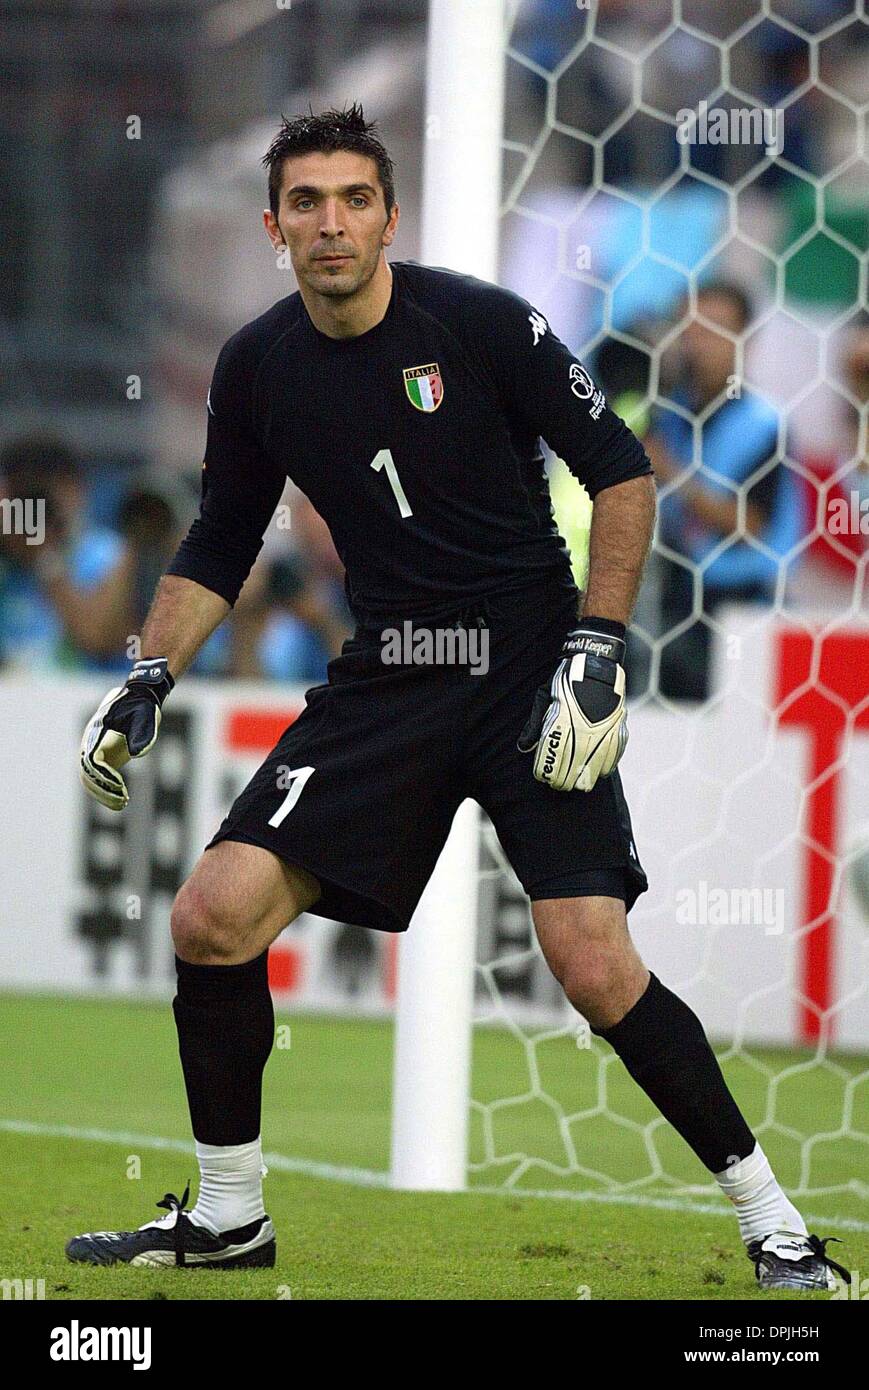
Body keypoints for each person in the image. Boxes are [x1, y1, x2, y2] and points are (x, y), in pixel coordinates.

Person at [68, 106, 846, 1293]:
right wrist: (149, 670)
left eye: (354, 199)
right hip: (391, 675)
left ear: (389, 213)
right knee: (208, 918)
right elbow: (222, 536)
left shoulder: (481, 325)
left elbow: (621, 476)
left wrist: (596, 645)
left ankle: (773, 1220)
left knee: (589, 963)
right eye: (307, 203)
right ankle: (229, 1216)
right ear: (274, 225)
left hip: (532, 662)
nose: (332, 223)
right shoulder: (256, 365)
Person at [646, 283, 803, 701]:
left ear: (745, 338)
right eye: (691, 331)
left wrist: (673, 474)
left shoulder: (765, 423)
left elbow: (749, 525)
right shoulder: (669, 414)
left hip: (744, 608)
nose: (699, 345)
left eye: (714, 330)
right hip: (674, 602)